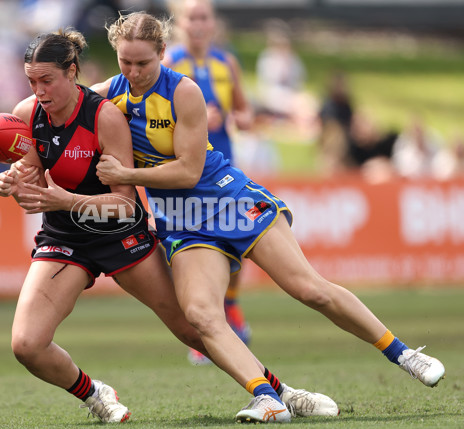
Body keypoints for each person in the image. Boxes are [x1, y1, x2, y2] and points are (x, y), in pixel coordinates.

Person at [92, 11, 446, 424]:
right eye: (125, 62)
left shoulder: (183, 91)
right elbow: (51, 105)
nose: (133, 72)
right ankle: (268, 397)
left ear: (162, 53)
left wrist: (126, 176)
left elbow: (189, 171)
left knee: (310, 289)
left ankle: (403, 354)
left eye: (143, 63)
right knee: (202, 316)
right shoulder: (108, 94)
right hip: (184, 221)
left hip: (228, 199)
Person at [0, 29, 339, 424]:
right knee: (26, 345)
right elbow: (33, 177)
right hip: (65, 237)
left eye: (47, 80)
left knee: (195, 329)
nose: (39, 91)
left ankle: (280, 392)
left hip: (121, 235)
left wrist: (67, 200)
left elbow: (125, 205)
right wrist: (14, 182)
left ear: (72, 72)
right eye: (31, 82)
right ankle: (96, 395)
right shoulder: (27, 115)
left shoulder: (104, 116)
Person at [163, 0, 254, 366]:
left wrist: (240, 117)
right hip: (186, 170)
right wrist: (195, 117)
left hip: (223, 165)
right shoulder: (169, 62)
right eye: (191, 18)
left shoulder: (225, 63)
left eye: (204, 18)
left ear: (212, 24)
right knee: (195, 248)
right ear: (180, 23)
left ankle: (230, 306)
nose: (198, 24)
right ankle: (204, 325)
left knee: (238, 237)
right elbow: (155, 115)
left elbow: (243, 110)